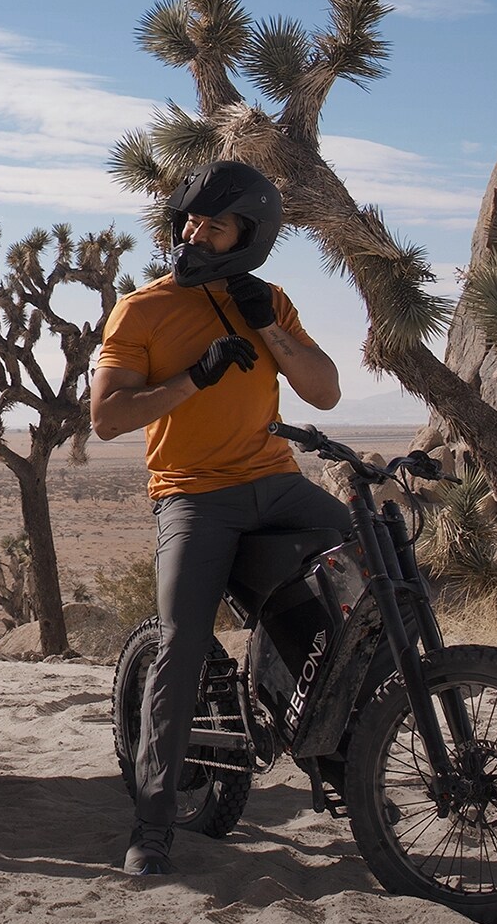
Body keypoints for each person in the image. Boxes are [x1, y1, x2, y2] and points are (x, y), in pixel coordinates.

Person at [90, 160, 350, 878]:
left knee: (366, 572)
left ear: (247, 237)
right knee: (179, 647)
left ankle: (343, 748)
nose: (195, 234)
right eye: (190, 221)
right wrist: (192, 378)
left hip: (276, 483)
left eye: (214, 224)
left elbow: (324, 391)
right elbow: (107, 417)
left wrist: (270, 328)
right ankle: (152, 826)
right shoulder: (141, 310)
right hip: (193, 495)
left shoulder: (267, 300)